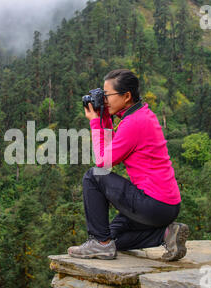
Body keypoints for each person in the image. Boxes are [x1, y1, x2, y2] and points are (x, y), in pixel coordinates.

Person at [67, 69, 189, 261]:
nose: (104, 100)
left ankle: (99, 243)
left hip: (153, 203)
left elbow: (103, 163)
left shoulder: (134, 122)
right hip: (165, 205)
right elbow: (112, 150)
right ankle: (166, 235)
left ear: (126, 96)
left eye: (107, 96)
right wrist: (105, 120)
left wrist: (95, 123)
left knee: (93, 176)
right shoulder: (141, 115)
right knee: (113, 237)